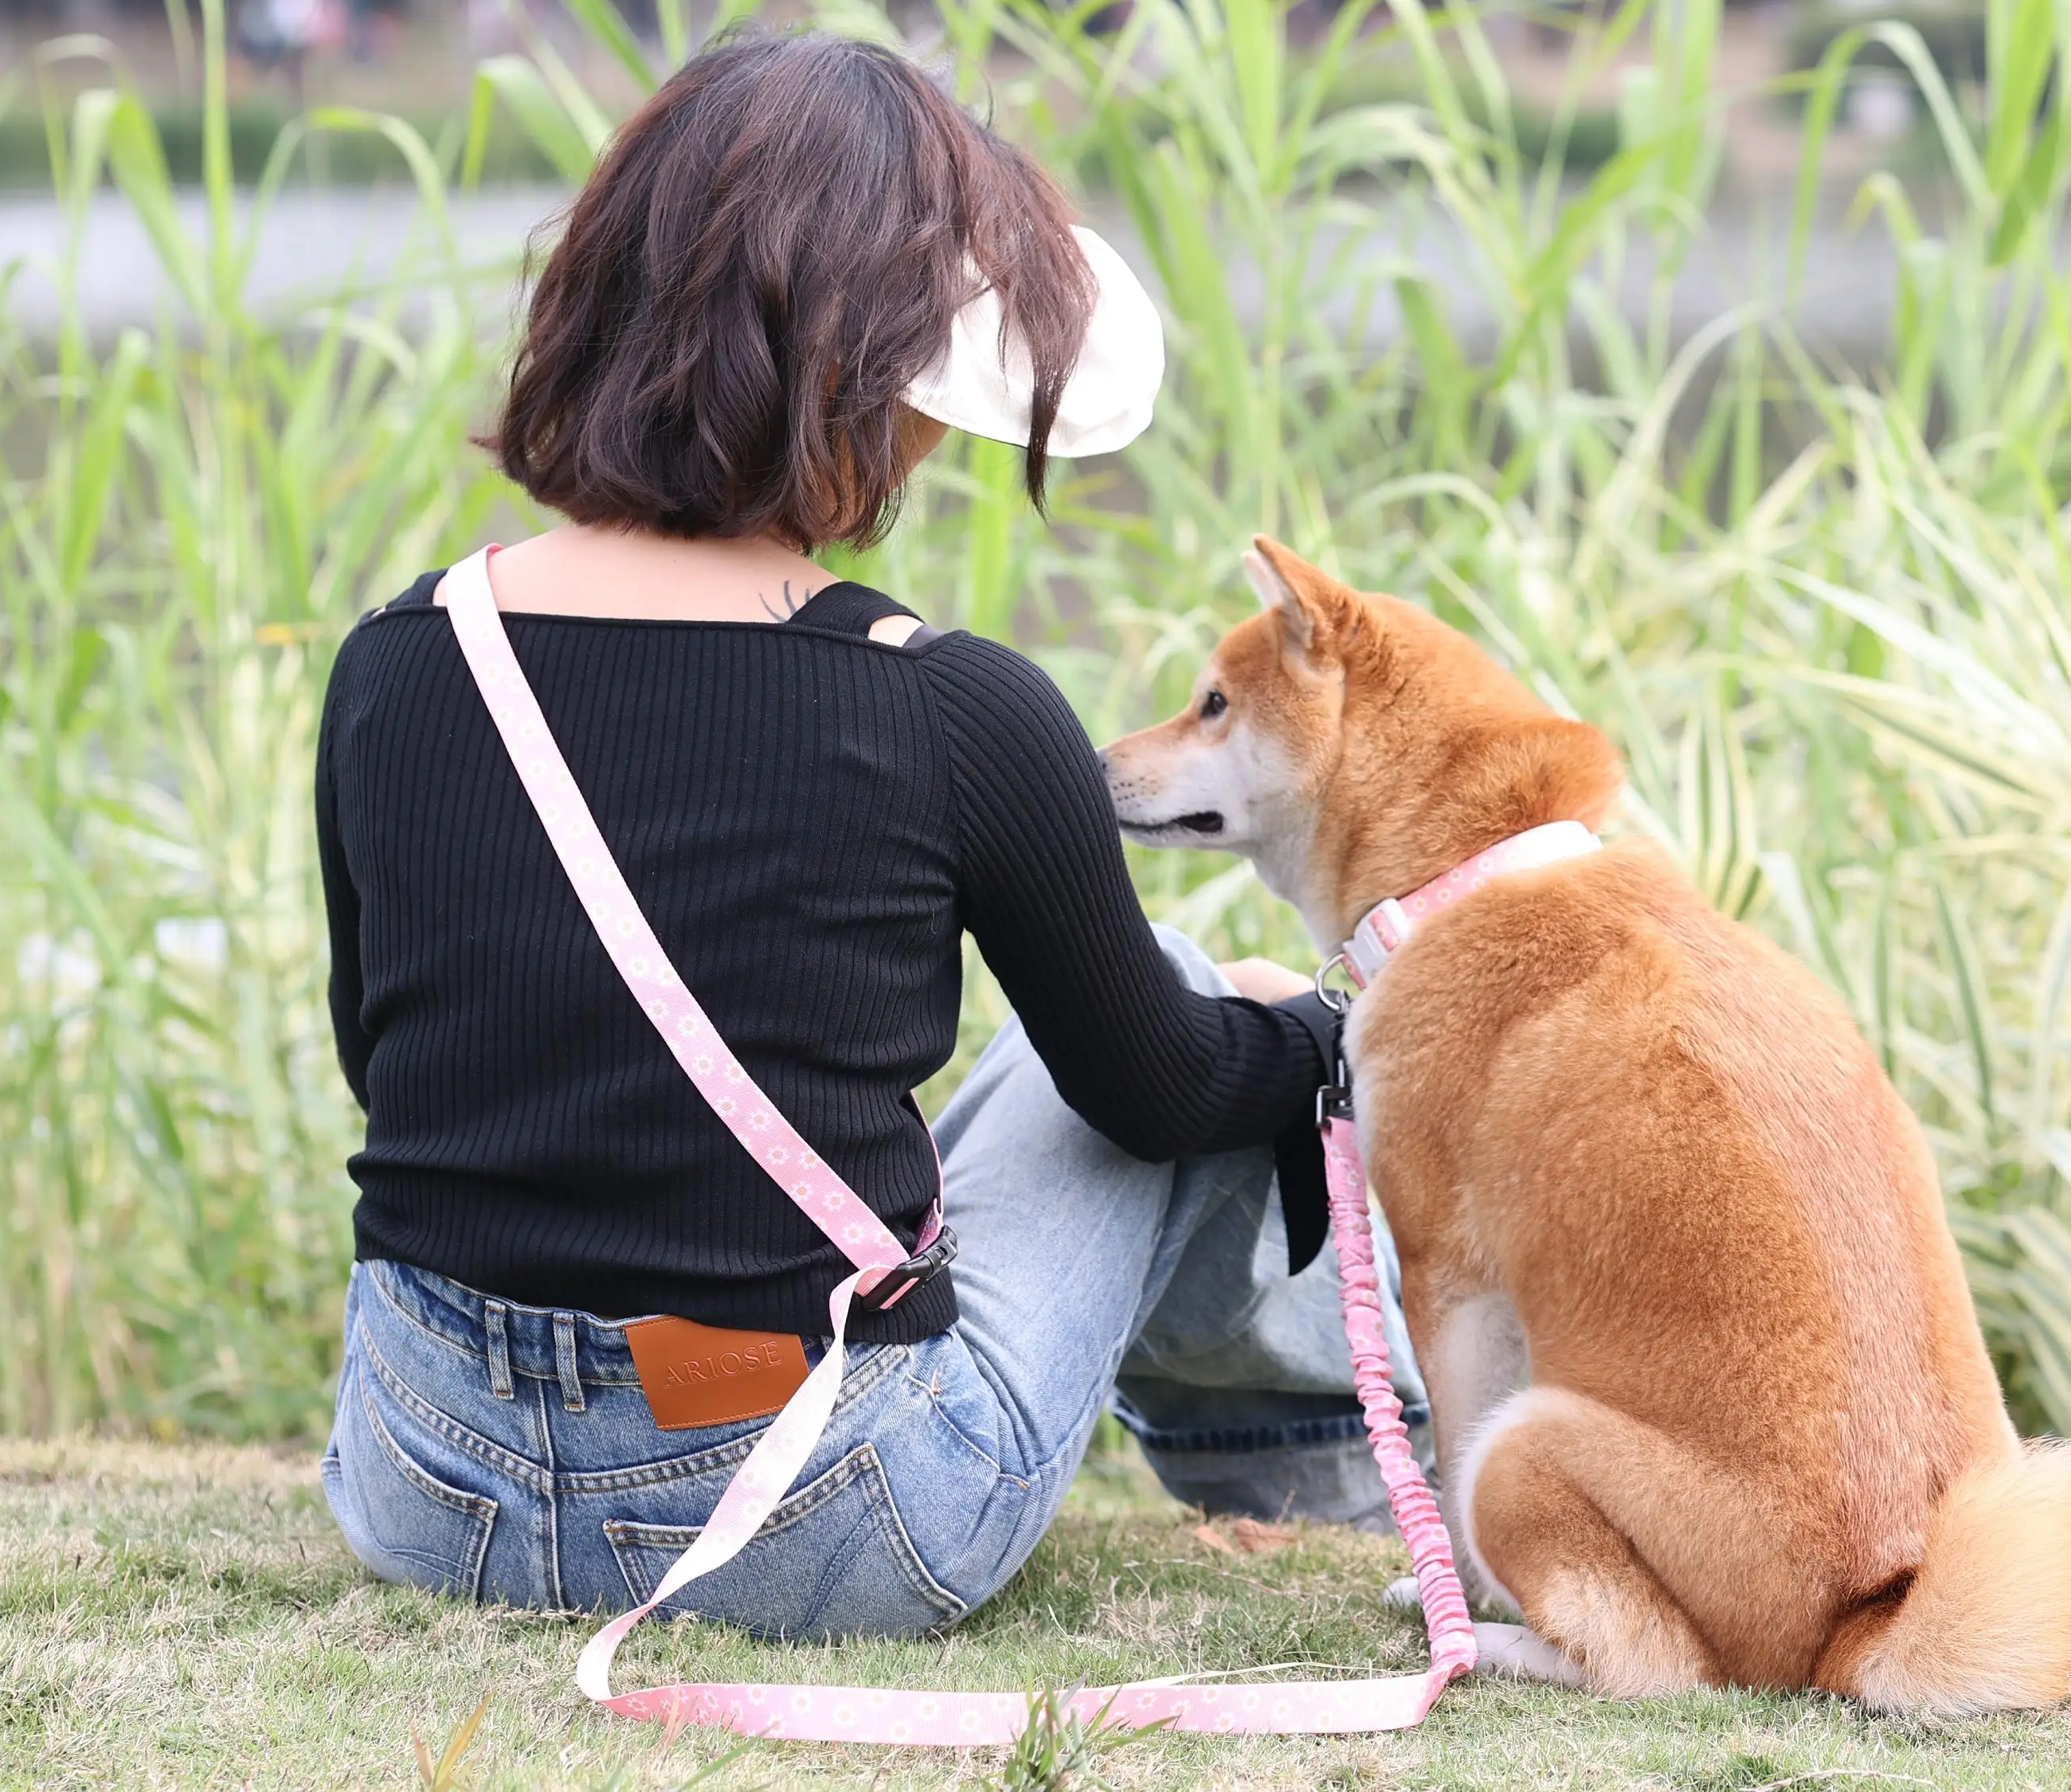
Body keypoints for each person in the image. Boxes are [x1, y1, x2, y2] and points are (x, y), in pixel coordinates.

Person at [311, 30, 1425, 1639]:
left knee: (1144, 1032)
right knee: (1191, 1001)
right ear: (864, 378)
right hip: (810, 1521)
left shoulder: (401, 659)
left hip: (427, 1488)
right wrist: (1324, 1027)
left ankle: (1313, 1472)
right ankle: (1319, 1483)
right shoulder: (955, 708)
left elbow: (384, 1062)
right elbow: (1155, 1090)